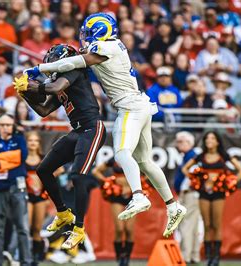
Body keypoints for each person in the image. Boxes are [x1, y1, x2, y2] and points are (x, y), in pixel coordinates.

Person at [23, 13, 186, 237]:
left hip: (130, 107)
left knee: (121, 153)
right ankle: (173, 206)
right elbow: (79, 58)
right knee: (145, 161)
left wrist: (39, 70)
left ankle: (138, 195)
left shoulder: (106, 47)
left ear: (99, 32)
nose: (85, 38)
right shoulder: (108, 47)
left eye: (88, 33)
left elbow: (77, 62)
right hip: (140, 105)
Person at [17, 44, 107, 249]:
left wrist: (31, 86)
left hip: (93, 128)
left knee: (77, 175)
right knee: (44, 169)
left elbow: (55, 88)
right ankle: (63, 212)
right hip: (77, 131)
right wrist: (25, 94)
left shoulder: (75, 70)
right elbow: (43, 110)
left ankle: (79, 229)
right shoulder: (60, 80)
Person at [182, 131, 241, 266]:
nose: (209, 141)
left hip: (219, 194)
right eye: (207, 138)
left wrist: (228, 183)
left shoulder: (224, 156)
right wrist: (197, 182)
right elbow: (185, 169)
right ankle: (208, 257)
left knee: (216, 225)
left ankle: (216, 258)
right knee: (207, 225)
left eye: (212, 138)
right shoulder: (201, 156)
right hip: (204, 194)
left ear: (217, 141)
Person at [0, 114, 31, 266]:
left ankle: (26, 261)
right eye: (2, 125)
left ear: (13, 126)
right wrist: (11, 159)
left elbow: (22, 156)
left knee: (22, 227)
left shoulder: (20, 140)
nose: (5, 127)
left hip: (18, 187)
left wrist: (0, 159)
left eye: (8, 125)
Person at [92, 157, 136, 266]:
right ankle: (120, 256)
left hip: (133, 196)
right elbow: (95, 171)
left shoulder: (137, 157)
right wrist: (108, 182)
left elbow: (147, 174)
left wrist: (134, 187)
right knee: (119, 229)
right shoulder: (115, 158)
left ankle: (126, 258)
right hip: (117, 195)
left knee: (129, 230)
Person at [174, 131, 201, 264]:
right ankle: (194, 255)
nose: (179, 144)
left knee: (186, 225)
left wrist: (188, 188)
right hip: (190, 194)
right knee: (193, 226)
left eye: (181, 141)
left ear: (189, 143)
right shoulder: (188, 156)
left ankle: (185, 255)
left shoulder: (191, 156)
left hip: (189, 193)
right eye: (178, 141)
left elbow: (193, 176)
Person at [24, 131, 50, 265]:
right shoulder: (22, 158)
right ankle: (24, 256)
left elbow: (58, 170)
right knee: (26, 226)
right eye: (30, 140)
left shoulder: (44, 158)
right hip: (26, 196)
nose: (33, 143)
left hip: (40, 196)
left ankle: (35, 258)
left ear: (39, 143)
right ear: (26, 142)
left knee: (37, 228)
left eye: (36, 140)